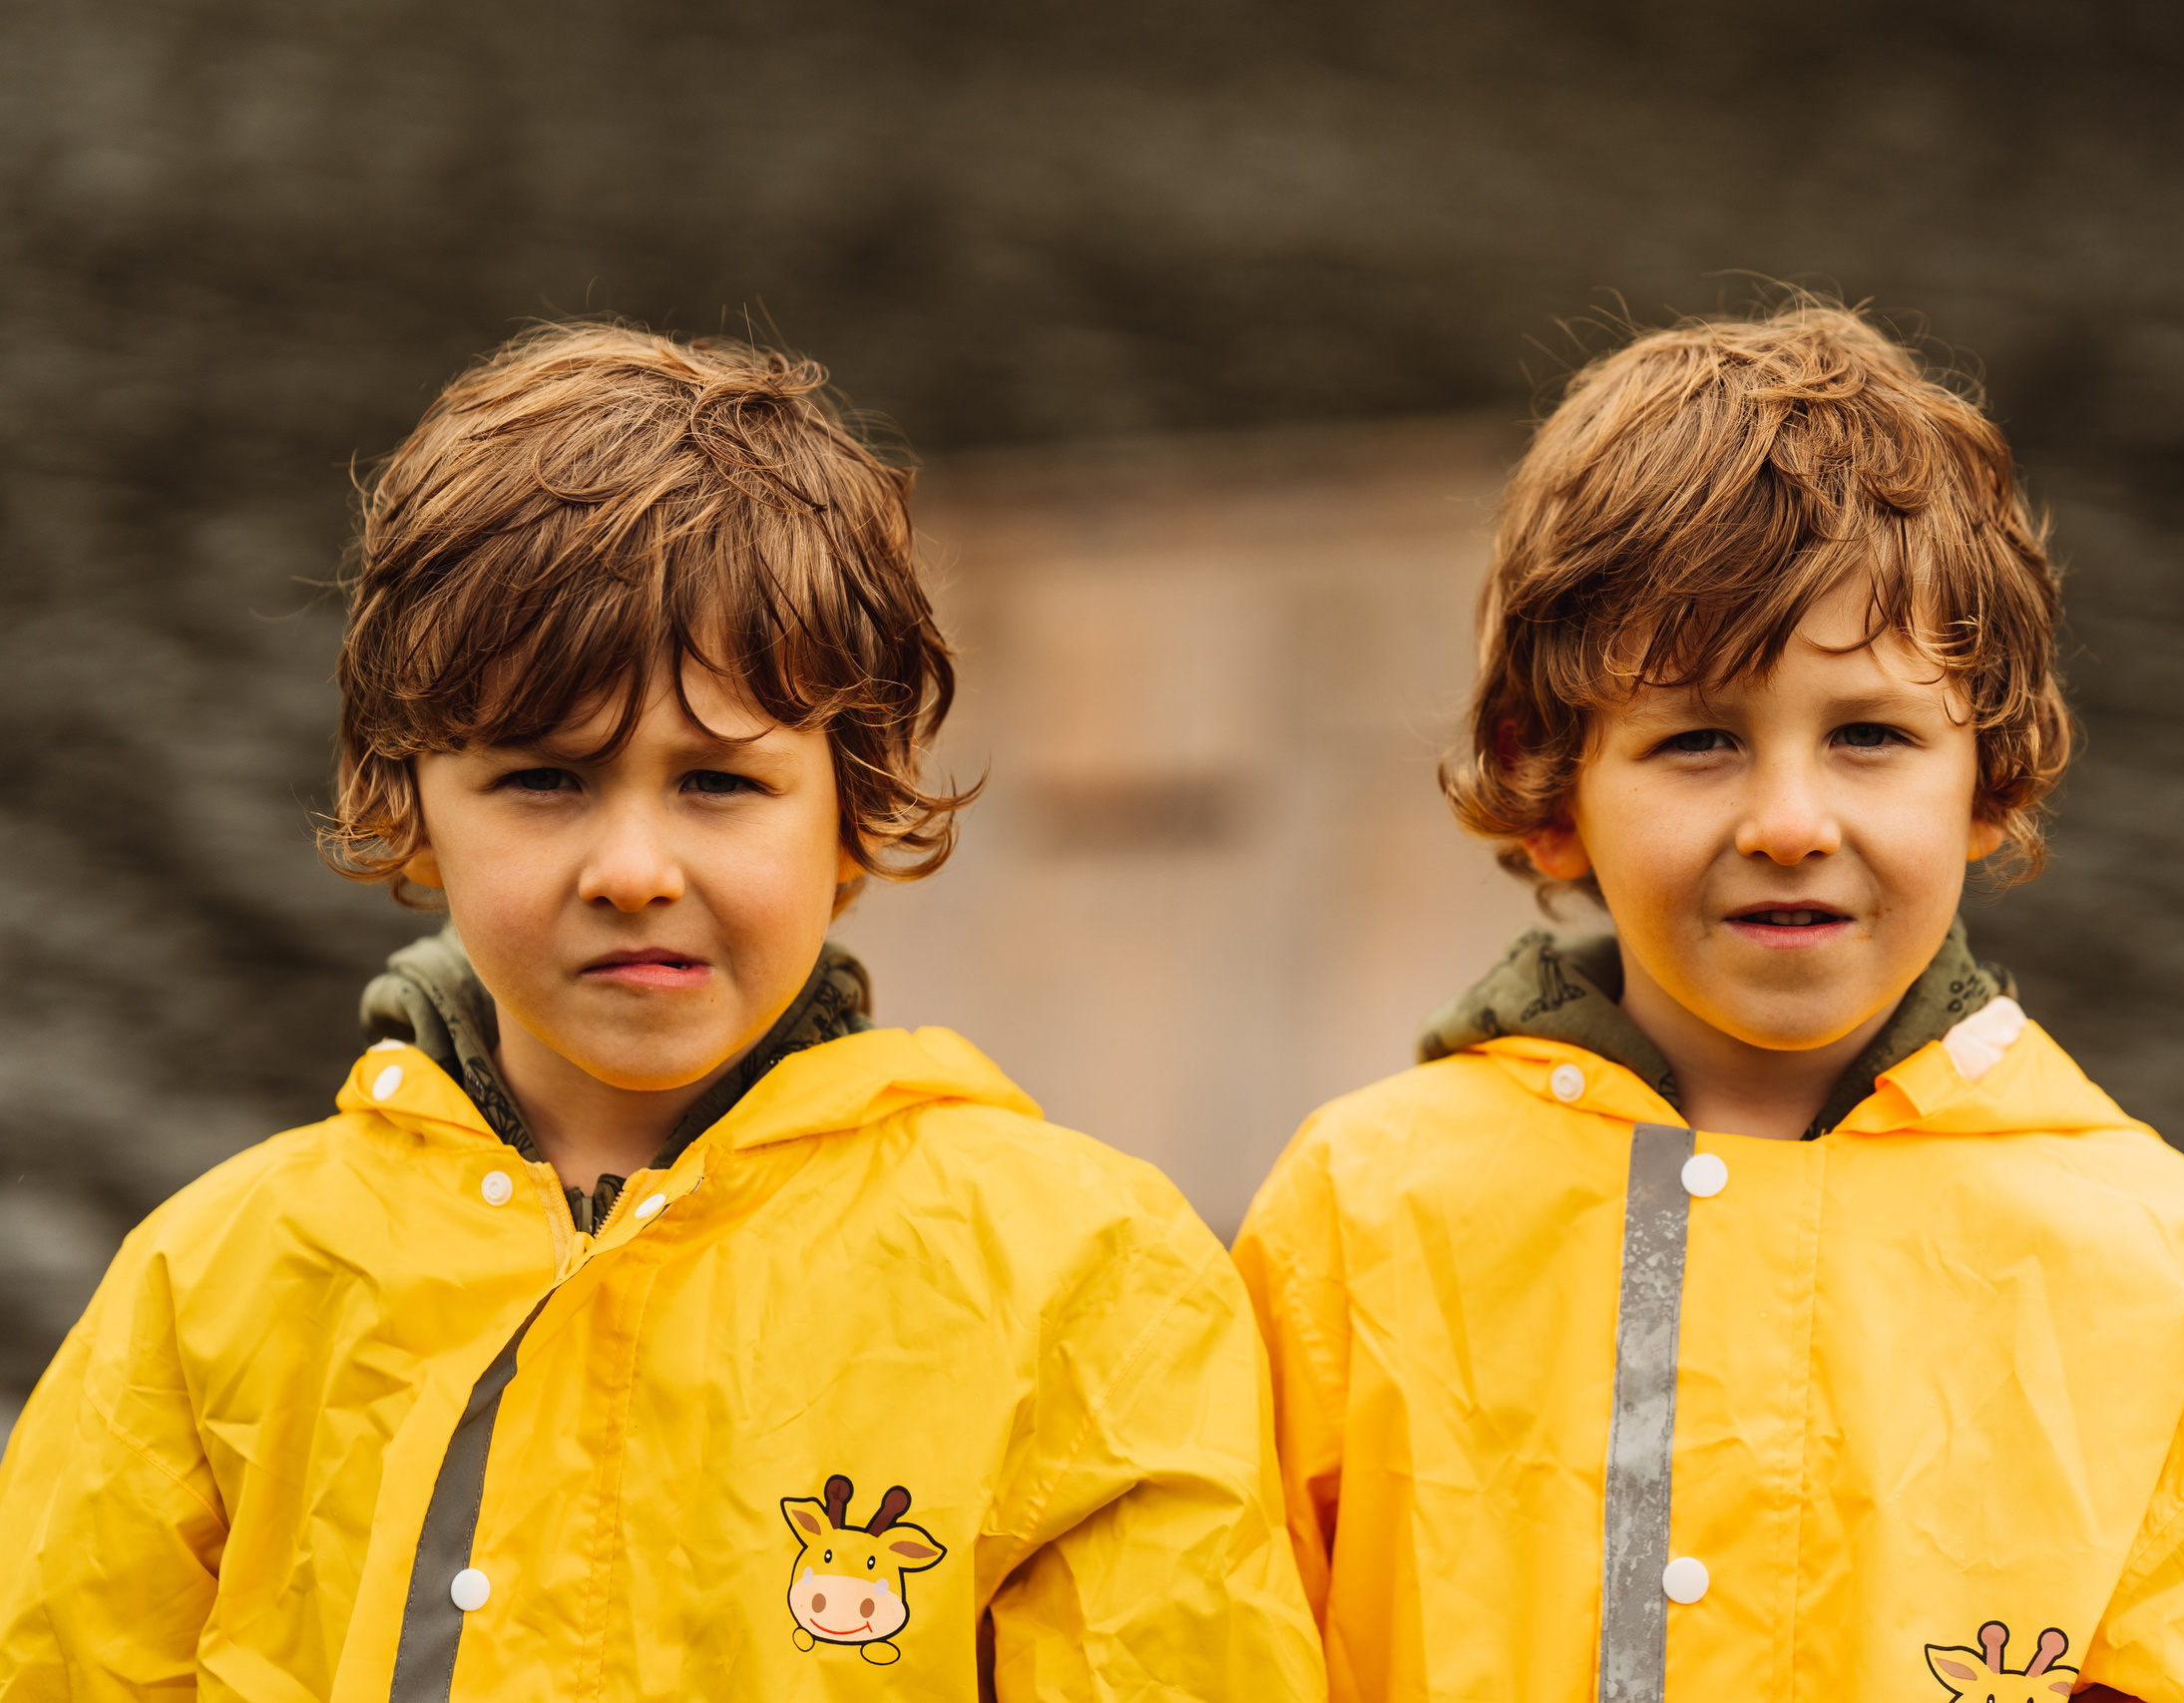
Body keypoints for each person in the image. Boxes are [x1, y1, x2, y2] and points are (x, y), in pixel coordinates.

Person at [0, 324, 1321, 1702]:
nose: (634, 871)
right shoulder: (204, 1285)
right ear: (410, 805)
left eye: (718, 785)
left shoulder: (1089, 1278)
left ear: (854, 808)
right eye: (543, 781)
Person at [1230, 302, 2184, 1703]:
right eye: (1697, 741)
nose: (1789, 821)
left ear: (1996, 775)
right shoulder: (1359, 1215)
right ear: (1550, 787)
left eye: (1869, 735)